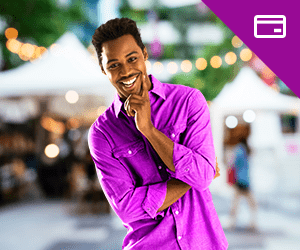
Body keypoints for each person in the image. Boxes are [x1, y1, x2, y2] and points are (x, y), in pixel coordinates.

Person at [88, 17, 227, 249]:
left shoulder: (188, 102)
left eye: (132, 58)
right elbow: (127, 209)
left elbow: (202, 175)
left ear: (144, 54)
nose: (125, 71)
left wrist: (149, 131)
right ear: (103, 69)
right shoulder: (102, 133)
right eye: (114, 65)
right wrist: (189, 181)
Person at [228, 124, 258, 232]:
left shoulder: (239, 150)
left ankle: (233, 222)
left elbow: (233, 164)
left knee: (236, 202)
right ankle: (252, 222)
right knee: (251, 203)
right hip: (245, 180)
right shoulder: (246, 150)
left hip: (239, 180)